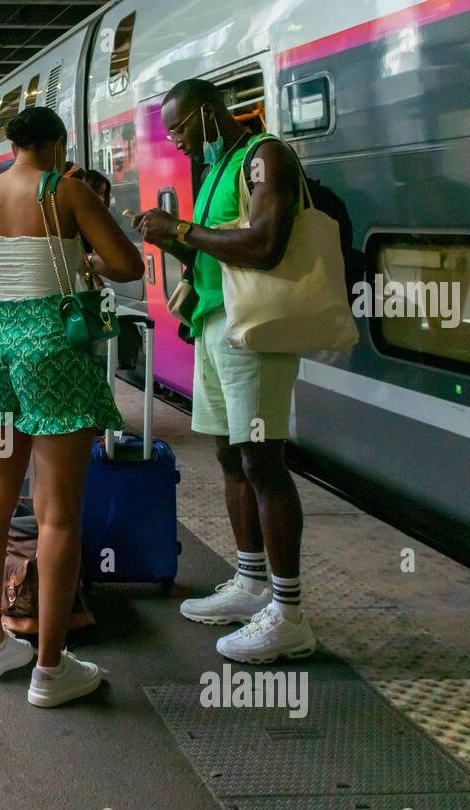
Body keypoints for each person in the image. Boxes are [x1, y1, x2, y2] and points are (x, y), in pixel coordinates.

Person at [0, 106, 144, 708]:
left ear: (11, 146)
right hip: (56, 354)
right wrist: (82, 264)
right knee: (57, 514)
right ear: (59, 143)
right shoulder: (66, 192)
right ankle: (49, 669)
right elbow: (128, 265)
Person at [134, 78, 314, 664]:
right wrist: (173, 240)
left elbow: (264, 242)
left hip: (252, 332)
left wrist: (181, 230)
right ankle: (251, 583)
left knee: (264, 461)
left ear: (211, 114)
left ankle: (288, 615)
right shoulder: (216, 171)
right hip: (214, 326)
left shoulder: (265, 157)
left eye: (182, 129)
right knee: (230, 456)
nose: (178, 142)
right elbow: (217, 248)